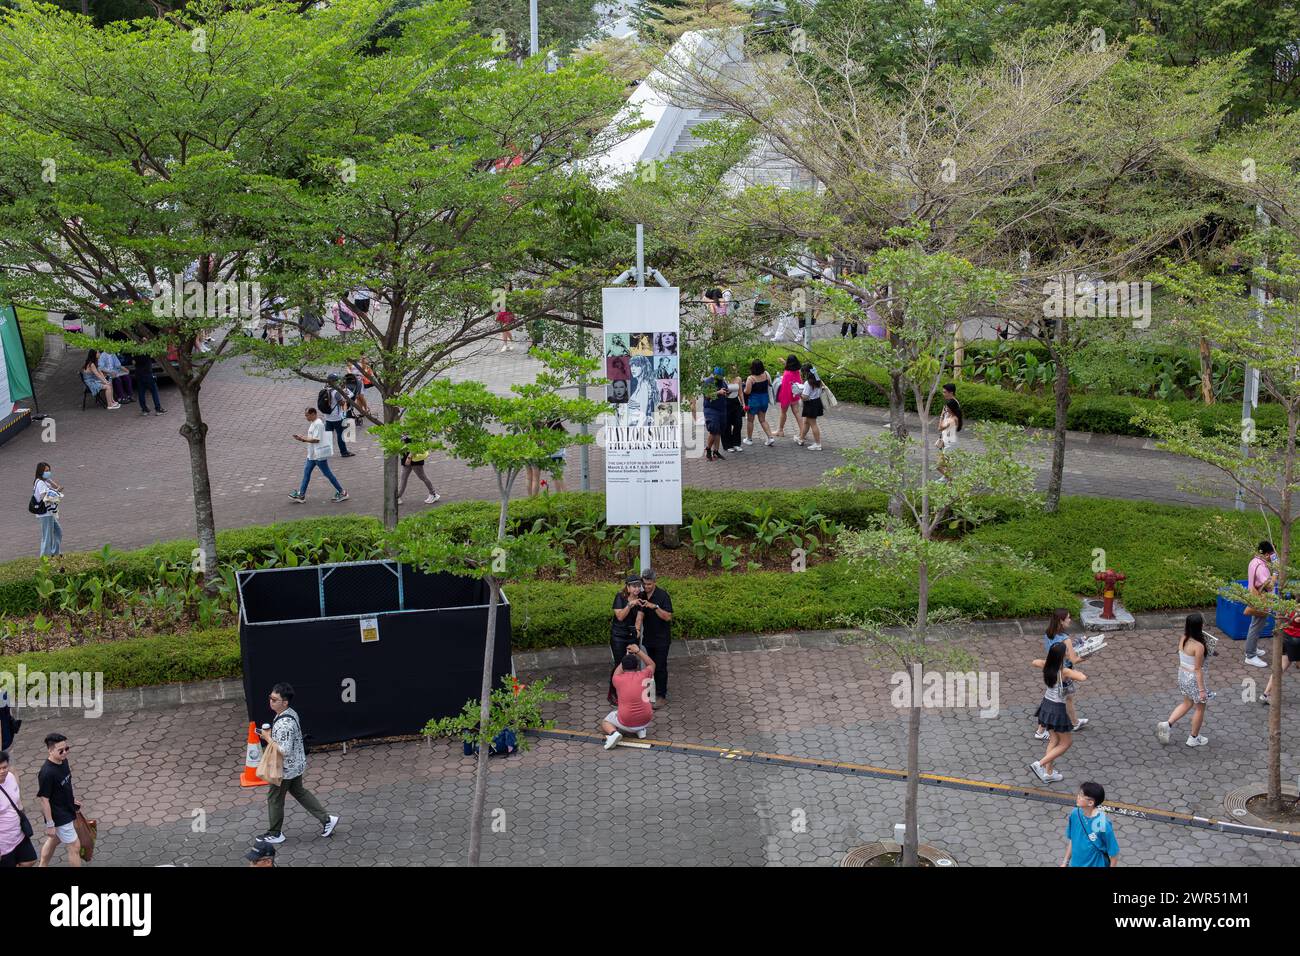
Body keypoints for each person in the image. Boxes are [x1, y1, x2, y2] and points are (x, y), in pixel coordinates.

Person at [257, 683, 339, 844]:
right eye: (270, 698)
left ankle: (275, 833)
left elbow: (284, 750)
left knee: (274, 798)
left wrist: (267, 737)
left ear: (285, 702)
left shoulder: (284, 723)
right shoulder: (290, 713)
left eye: (274, 699)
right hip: (296, 765)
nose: (271, 701)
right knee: (299, 791)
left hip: (285, 769)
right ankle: (327, 819)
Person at [1030, 642, 1087, 783]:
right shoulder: (1064, 671)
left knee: (1054, 740)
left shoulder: (1047, 665)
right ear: (1062, 656)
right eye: (1067, 650)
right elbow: (1083, 677)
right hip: (1057, 709)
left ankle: (1049, 773)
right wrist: (1076, 672)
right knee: (1066, 743)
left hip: (1046, 705)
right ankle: (1040, 764)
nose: (1069, 651)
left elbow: (1034, 662)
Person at [1157, 612, 1212, 747]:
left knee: (1187, 703)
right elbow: (1198, 669)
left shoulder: (1183, 638)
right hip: (1193, 678)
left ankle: (1167, 724)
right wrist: (1202, 690)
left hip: (1182, 675)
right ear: (1199, 626)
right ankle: (1194, 737)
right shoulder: (1199, 646)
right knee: (1200, 708)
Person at [1036, 609, 1088, 740]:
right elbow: (1073, 659)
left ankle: (1075, 722)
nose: (1070, 620)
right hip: (1063, 671)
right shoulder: (1066, 639)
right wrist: (1089, 655)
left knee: (1067, 696)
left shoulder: (1048, 633)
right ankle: (1040, 730)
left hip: (1052, 668)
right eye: (1068, 618)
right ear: (1061, 620)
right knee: (1052, 699)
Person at [36, 733, 80, 867]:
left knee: (54, 840)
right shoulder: (47, 773)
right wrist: (50, 824)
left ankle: (42, 865)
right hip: (59, 815)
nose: (65, 753)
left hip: (67, 808)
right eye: (61, 750)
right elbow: (44, 800)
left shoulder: (63, 761)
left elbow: (65, 785)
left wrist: (72, 800)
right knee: (74, 846)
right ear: (50, 750)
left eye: (67, 749)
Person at [288, 407, 349, 503]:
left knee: (327, 474)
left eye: (307, 415)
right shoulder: (314, 423)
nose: (306, 417)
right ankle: (301, 495)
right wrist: (303, 438)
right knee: (307, 473)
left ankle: (342, 492)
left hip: (318, 455)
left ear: (313, 414)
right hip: (312, 455)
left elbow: (316, 439)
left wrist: (303, 439)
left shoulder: (318, 424)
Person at [602, 644, 656, 750]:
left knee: (606, 722)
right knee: (641, 707)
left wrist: (626, 657)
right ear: (636, 666)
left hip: (627, 721)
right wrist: (638, 651)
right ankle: (640, 731)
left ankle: (613, 734)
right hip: (646, 718)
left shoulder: (617, 679)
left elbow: (618, 670)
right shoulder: (644, 674)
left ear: (623, 665)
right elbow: (651, 664)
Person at [637, 569, 673, 706]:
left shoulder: (663, 595)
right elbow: (640, 614)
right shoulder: (642, 595)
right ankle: (651, 692)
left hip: (662, 639)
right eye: (644, 584)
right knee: (650, 666)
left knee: (660, 667)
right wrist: (638, 629)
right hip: (649, 638)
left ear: (655, 582)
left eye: (649, 584)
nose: (646, 587)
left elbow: (668, 617)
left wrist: (655, 607)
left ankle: (661, 695)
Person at [1061, 781, 1119, 867]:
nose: (1078, 797)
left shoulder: (1102, 823)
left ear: (1091, 803)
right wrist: (1065, 862)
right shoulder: (1075, 814)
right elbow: (1073, 839)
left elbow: (1114, 854)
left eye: (1081, 796)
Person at [608, 576, 646, 705]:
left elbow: (639, 618)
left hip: (631, 635)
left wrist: (637, 632)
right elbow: (619, 616)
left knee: (631, 663)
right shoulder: (620, 597)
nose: (636, 588)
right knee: (620, 664)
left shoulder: (641, 597)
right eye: (633, 586)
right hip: (618, 635)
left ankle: (628, 692)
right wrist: (630, 605)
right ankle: (613, 693)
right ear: (628, 587)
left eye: (638, 586)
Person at [0, 752, 36, 867]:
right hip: (3, 844)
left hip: (19, 834)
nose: (2, 771)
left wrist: (22, 813)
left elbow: (17, 799)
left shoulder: (10, 777)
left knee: (30, 861)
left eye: (4, 767)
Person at [1244, 541, 1275, 668]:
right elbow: (1269, 586)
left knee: (1255, 625)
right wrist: (1276, 574)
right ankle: (1250, 655)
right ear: (1267, 554)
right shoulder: (1262, 567)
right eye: (1272, 554)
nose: (1274, 556)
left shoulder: (1254, 561)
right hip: (1260, 600)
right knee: (1256, 626)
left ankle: (1252, 649)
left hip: (1254, 596)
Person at [1261, 607, 1300, 704]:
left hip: (1286, 637)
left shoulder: (1290, 603)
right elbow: (1297, 619)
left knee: (1280, 668)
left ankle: (1266, 694)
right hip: (1296, 639)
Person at [32, 462, 63, 558]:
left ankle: (54, 553)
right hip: (45, 514)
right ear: (40, 471)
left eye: (49, 470)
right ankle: (45, 558)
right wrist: (56, 492)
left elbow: (56, 487)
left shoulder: (44, 481)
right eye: (46, 471)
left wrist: (52, 483)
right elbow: (44, 497)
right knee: (47, 537)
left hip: (49, 513)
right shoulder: (40, 483)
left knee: (58, 531)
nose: (48, 472)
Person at [742, 359, 776, 446]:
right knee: (762, 420)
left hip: (754, 401)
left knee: (750, 420)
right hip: (764, 399)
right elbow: (769, 384)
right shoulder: (765, 374)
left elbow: (747, 391)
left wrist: (743, 388)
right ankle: (770, 437)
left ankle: (749, 439)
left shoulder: (751, 378)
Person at [398, 435, 440, 505]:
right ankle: (398, 496)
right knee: (403, 478)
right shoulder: (403, 429)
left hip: (414, 458)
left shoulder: (414, 431)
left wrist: (409, 457)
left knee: (422, 477)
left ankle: (433, 494)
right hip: (406, 458)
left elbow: (416, 444)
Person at [323, 374, 356, 458]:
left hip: (327, 416)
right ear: (333, 381)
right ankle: (344, 452)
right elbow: (341, 403)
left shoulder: (324, 389)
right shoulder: (335, 392)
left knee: (328, 435)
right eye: (336, 380)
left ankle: (326, 452)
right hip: (336, 417)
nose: (338, 382)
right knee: (340, 434)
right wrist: (344, 399)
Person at [793, 364, 825, 450]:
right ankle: (801, 439)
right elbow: (822, 390)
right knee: (806, 422)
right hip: (817, 402)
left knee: (813, 424)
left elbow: (805, 396)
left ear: (806, 373)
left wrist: (798, 393)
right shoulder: (818, 380)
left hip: (810, 404)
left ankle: (818, 444)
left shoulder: (808, 383)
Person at [702, 368, 729, 461]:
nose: (720, 378)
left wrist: (726, 392)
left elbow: (725, 390)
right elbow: (706, 395)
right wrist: (718, 392)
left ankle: (716, 451)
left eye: (721, 377)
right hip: (711, 409)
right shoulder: (708, 381)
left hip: (722, 408)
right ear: (714, 375)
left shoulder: (723, 381)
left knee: (719, 431)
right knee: (713, 430)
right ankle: (708, 449)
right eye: (718, 377)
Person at [775, 355, 802, 438]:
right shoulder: (797, 371)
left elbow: (785, 388)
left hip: (787, 396)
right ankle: (802, 430)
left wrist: (782, 399)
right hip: (795, 394)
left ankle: (780, 430)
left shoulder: (787, 373)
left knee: (783, 413)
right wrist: (783, 362)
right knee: (797, 412)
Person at [724, 365, 746, 454]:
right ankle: (727, 445)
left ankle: (736, 443)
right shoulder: (724, 379)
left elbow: (740, 392)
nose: (734, 371)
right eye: (732, 370)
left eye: (735, 369)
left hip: (736, 402)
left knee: (738, 423)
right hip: (726, 402)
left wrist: (743, 403)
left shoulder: (739, 379)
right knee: (727, 424)